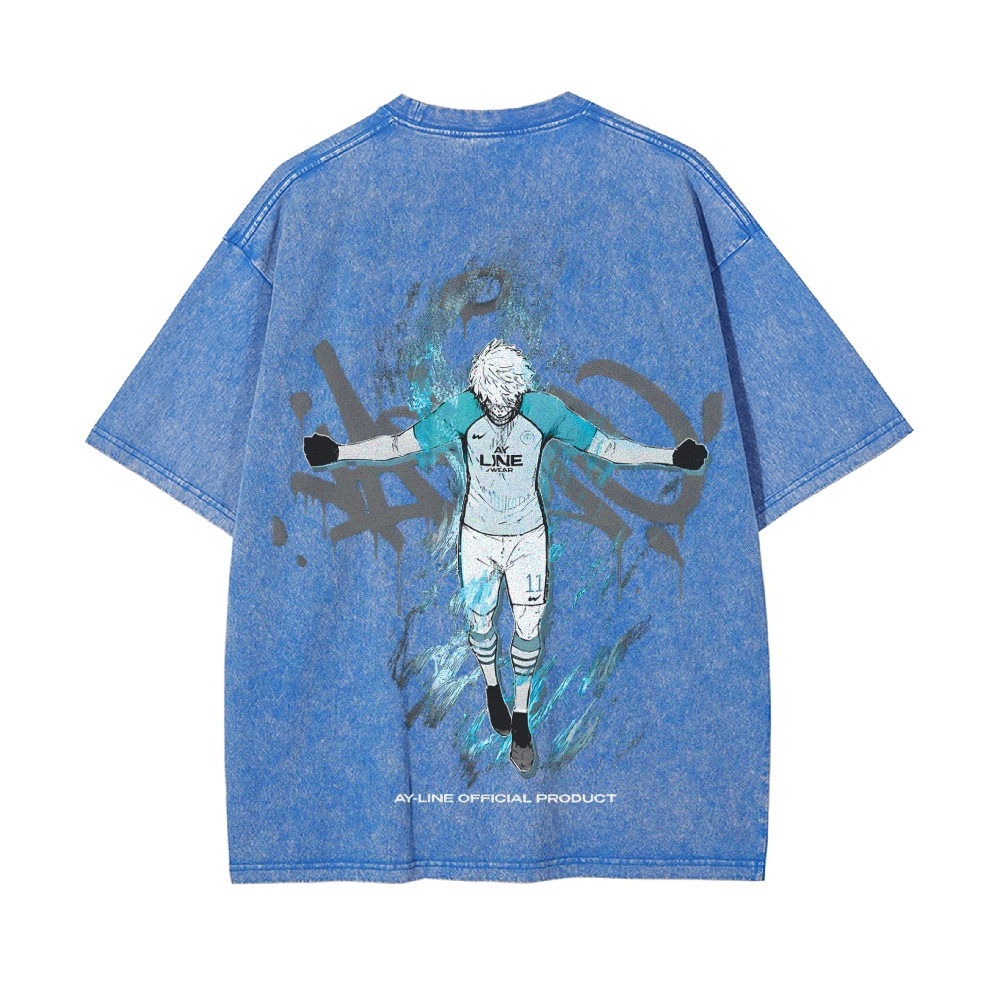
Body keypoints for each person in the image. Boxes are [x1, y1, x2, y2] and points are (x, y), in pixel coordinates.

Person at [303, 339, 709, 774]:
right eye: (492, 405)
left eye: (510, 404)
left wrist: (672, 458)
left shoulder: (544, 410)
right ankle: (491, 685)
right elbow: (400, 446)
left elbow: (605, 447)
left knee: (528, 628)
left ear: (521, 392)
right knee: (480, 623)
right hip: (478, 539)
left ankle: (520, 721)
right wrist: (338, 453)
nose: (501, 412)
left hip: (527, 540)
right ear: (479, 395)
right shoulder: (461, 411)